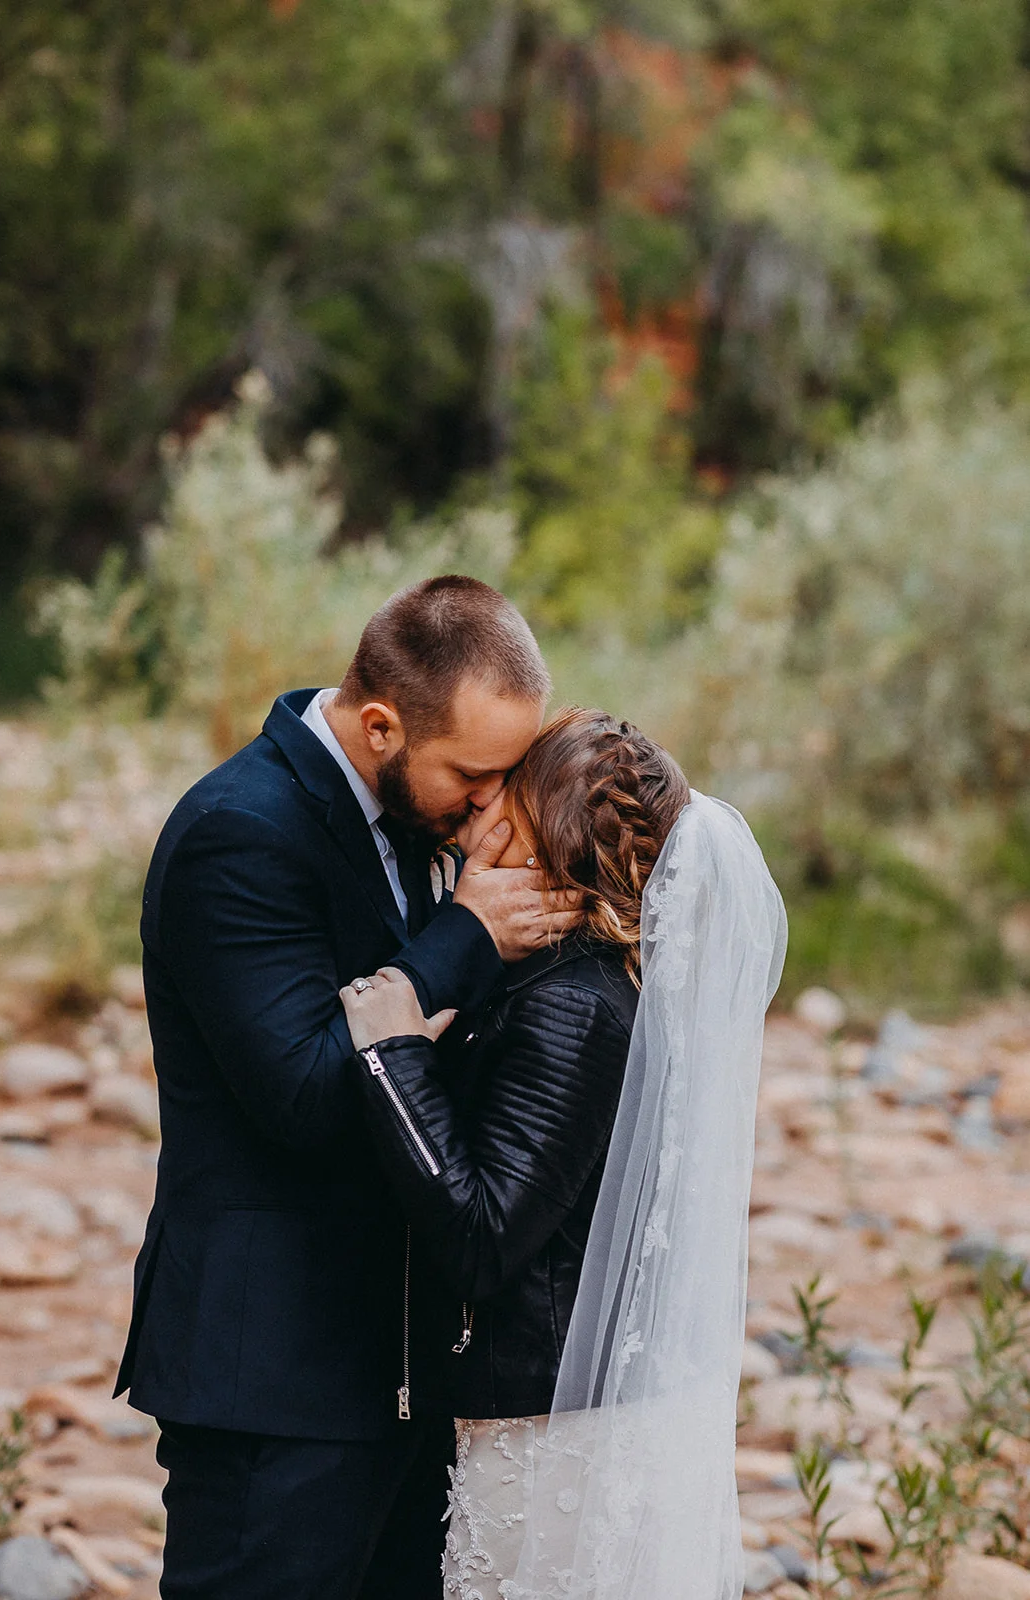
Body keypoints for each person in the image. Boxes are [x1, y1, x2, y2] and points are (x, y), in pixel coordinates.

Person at [115, 576, 579, 1600]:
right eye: (473, 773)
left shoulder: (422, 821)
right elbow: (308, 1093)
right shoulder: (238, 834)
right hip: (270, 1373)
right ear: (380, 726)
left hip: (401, 1362)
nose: (492, 802)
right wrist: (467, 934)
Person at [341, 708, 787, 1600]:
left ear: (545, 845)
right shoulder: (578, 981)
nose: (471, 826)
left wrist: (391, 1056)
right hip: (553, 1417)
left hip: (548, 1440)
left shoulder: (572, 1006)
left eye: (494, 810)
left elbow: (483, 1237)